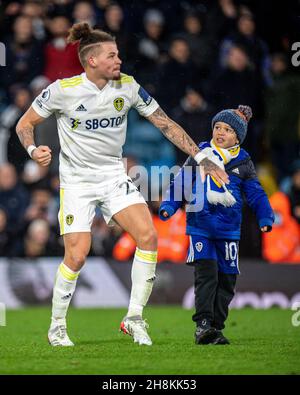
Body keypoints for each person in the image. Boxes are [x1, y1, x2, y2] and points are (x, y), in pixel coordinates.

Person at [16, 23, 228, 347]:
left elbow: (165, 124)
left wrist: (202, 158)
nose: (119, 60)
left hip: (114, 176)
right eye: (111, 55)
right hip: (76, 181)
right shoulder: (63, 89)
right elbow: (24, 124)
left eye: (118, 54)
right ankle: (57, 326)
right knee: (77, 255)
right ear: (92, 62)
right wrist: (33, 150)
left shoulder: (128, 86)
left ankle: (134, 318)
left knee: (148, 236)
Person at [160, 105, 274, 345]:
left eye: (228, 129)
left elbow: (255, 193)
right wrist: (169, 205)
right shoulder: (200, 154)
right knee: (207, 275)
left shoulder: (244, 162)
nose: (220, 132)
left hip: (229, 231)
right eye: (217, 127)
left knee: (227, 281)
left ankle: (215, 327)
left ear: (238, 137)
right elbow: (182, 181)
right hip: (200, 226)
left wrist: (265, 216)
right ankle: (202, 326)